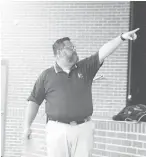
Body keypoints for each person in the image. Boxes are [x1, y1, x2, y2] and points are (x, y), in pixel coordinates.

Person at [23, 28, 139, 157]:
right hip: (57, 130)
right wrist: (27, 126)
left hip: (84, 129)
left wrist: (122, 37)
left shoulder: (85, 68)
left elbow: (103, 52)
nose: (74, 49)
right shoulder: (46, 76)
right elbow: (34, 101)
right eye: (70, 47)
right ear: (59, 53)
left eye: (73, 46)